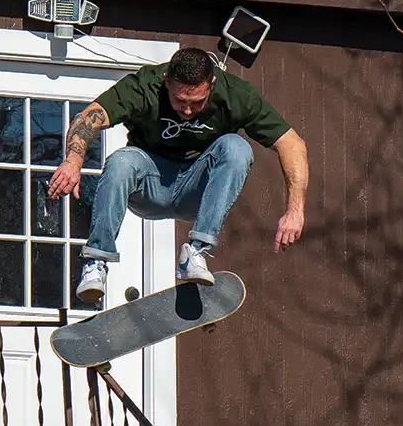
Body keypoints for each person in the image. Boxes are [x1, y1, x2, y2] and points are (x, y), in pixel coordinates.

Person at [47, 45, 309, 307]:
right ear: (166, 82)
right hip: (150, 186)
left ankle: (195, 253)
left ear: (212, 83)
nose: (186, 111)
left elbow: (292, 144)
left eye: (196, 102)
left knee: (236, 147)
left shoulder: (235, 94)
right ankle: (96, 262)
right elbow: (89, 117)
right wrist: (73, 160)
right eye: (179, 101)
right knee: (122, 160)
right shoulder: (143, 86)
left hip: (196, 190)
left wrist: (295, 210)